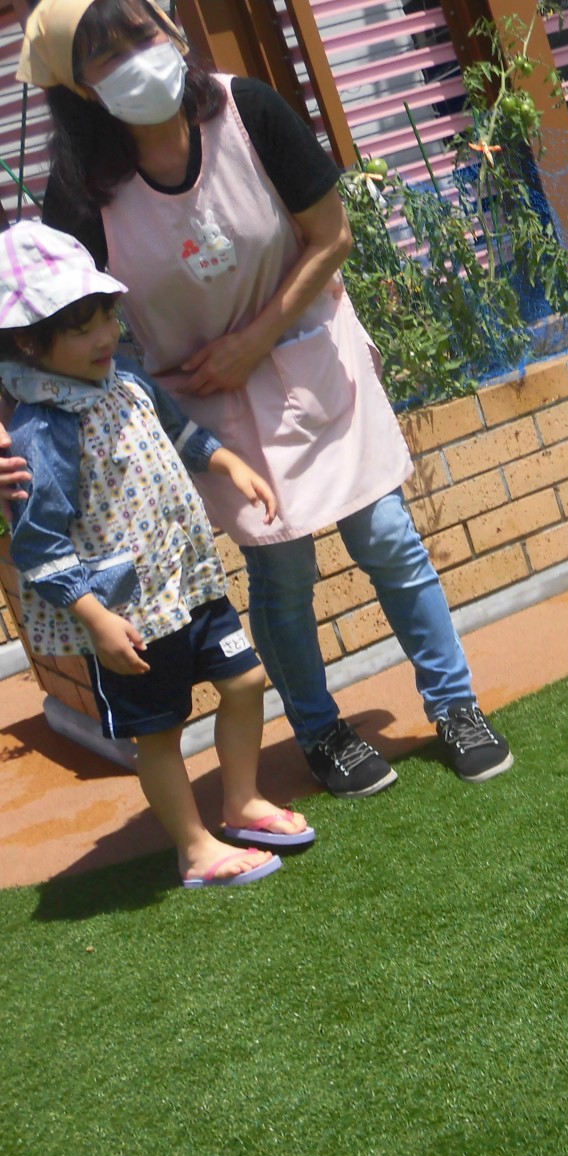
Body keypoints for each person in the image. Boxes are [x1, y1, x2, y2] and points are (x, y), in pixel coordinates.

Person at [19, 0, 514, 795]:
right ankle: (320, 731)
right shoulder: (82, 194)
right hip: (205, 404)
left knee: (388, 536)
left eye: (141, 33)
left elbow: (331, 236)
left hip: (311, 353)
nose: (136, 59)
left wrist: (255, 339)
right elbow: (47, 320)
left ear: (171, 30)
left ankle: (455, 704)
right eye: (105, 55)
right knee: (281, 568)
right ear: (77, 88)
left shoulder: (247, 111)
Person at [0, 220, 312, 887]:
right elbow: (39, 545)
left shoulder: (126, 379)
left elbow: (178, 430)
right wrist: (96, 618)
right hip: (128, 611)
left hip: (189, 583)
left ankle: (241, 801)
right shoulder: (41, 430)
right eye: (81, 329)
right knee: (159, 731)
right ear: (29, 341)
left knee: (245, 681)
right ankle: (194, 848)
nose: (103, 337)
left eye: (106, 317)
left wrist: (227, 462)